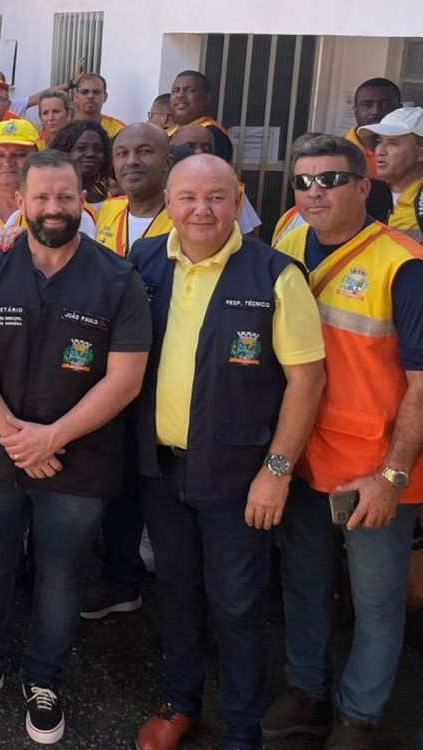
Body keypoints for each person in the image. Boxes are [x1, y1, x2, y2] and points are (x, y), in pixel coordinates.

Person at [0, 151, 151, 746]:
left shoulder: (117, 279)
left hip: (76, 461)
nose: (53, 209)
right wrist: (16, 435)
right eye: (41, 198)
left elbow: (125, 378)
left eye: (65, 197)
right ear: (21, 201)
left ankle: (44, 678)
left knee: (60, 574)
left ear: (83, 199)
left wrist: (50, 438)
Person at [129, 154, 326, 750]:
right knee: (178, 592)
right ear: (168, 200)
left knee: (238, 606)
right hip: (161, 468)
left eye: (216, 197)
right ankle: (181, 702)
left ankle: (242, 729)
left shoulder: (275, 275)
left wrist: (276, 471)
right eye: (188, 197)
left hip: (241, 476)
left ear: (238, 198)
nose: (201, 210)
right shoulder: (141, 263)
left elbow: (308, 380)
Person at [265, 135, 423, 749]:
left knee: (377, 603)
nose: (313, 192)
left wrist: (392, 477)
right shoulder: (287, 242)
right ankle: (306, 689)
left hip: (372, 475)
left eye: (330, 180)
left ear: (364, 187)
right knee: (302, 585)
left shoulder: (402, 263)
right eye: (303, 181)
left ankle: (358, 717)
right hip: (302, 461)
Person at [95, 123, 174, 257]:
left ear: (167, 163)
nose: (131, 161)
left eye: (143, 151)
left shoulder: (183, 217)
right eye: (122, 153)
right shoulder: (108, 209)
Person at [359, 106, 423, 242]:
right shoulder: (369, 193)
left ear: (420, 153)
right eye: (379, 141)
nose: (380, 151)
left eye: (393, 143)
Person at [168, 70, 233, 163]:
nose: (180, 95)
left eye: (190, 90)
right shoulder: (169, 132)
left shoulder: (211, 133)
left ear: (206, 98)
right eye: (176, 90)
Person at [346, 78, 401, 179]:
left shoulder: (414, 152)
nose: (376, 111)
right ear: (355, 111)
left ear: (399, 109)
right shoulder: (337, 150)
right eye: (366, 105)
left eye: (386, 104)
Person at [49, 120, 110, 206]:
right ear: (65, 152)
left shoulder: (106, 194)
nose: (90, 154)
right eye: (81, 148)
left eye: (98, 149)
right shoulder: (53, 195)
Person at [71, 73, 124, 138]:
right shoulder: (63, 124)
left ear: (105, 97)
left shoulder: (117, 129)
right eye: (84, 92)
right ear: (76, 96)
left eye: (96, 92)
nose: (90, 96)